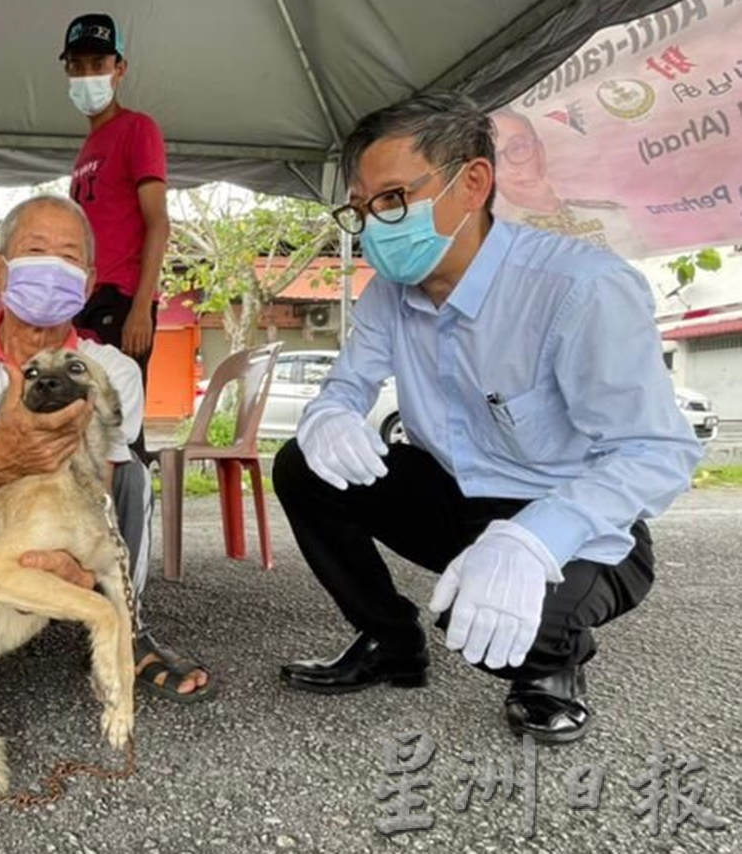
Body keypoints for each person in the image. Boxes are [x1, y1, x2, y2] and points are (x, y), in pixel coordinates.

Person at [273, 92, 701, 744]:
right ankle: (389, 640)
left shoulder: (580, 288)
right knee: (303, 466)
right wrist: (329, 418)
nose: (375, 226)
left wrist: (532, 540)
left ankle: (554, 665)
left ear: (472, 182)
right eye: (359, 210)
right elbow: (346, 387)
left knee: (488, 631)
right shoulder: (389, 295)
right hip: (461, 501)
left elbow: (656, 450)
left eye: (391, 200)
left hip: (572, 522)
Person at [0, 195, 215, 703]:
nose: (52, 269)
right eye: (36, 251)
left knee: (133, 476)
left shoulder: (112, 370)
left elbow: (100, 499)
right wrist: (9, 452)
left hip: (66, 541)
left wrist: (77, 571)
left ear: (89, 283)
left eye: (69, 259)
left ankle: (125, 631)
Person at [60, 13, 170, 456]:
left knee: (118, 428)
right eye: (78, 65)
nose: (89, 75)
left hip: (122, 299)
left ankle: (132, 521)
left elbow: (158, 222)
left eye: (99, 63)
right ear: (67, 69)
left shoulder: (137, 128)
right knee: (80, 426)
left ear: (119, 68)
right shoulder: (87, 149)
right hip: (85, 300)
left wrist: (141, 306)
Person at [490, 109, 646, 259]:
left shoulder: (611, 215)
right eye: (493, 159)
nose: (511, 169)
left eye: (518, 148)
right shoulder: (496, 248)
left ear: (540, 151)